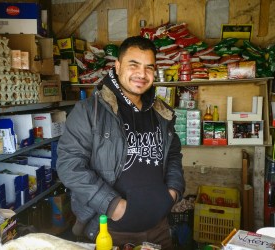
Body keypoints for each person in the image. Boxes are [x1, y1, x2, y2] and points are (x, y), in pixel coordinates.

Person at [56, 36, 185, 249]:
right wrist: (114, 205)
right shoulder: (89, 111)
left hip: (159, 229)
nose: (141, 74)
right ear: (117, 66)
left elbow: (173, 154)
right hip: (112, 232)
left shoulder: (161, 112)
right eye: (133, 65)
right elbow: (69, 166)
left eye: (149, 67)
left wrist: (173, 191)